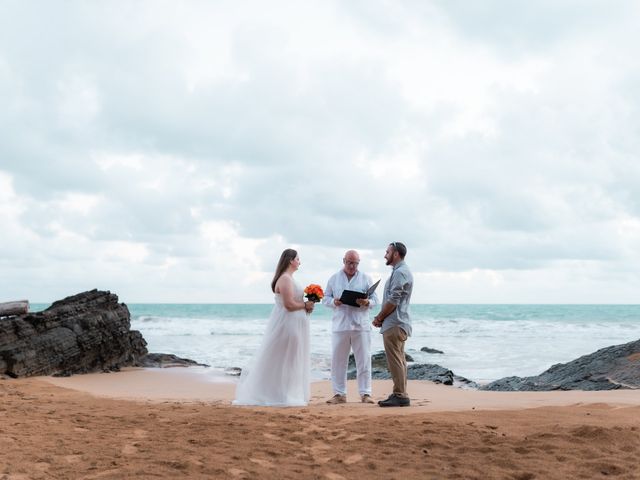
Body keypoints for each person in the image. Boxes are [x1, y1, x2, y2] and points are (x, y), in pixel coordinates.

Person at [233, 249, 315, 407]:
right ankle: (281, 394)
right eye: (298, 259)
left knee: (290, 360)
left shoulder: (289, 278)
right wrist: (305, 305)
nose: (299, 262)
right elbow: (289, 305)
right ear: (290, 260)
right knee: (287, 360)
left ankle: (287, 392)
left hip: (296, 323)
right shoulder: (285, 279)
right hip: (289, 324)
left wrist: (308, 303)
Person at [322, 250, 379, 404]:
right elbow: (325, 298)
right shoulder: (334, 278)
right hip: (340, 325)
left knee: (364, 360)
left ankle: (365, 393)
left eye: (355, 263)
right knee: (338, 361)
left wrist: (368, 302)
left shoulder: (366, 278)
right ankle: (339, 394)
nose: (353, 266)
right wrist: (334, 302)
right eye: (350, 262)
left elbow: (375, 299)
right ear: (344, 261)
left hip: (361, 325)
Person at [372, 242, 413, 407]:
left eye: (387, 252)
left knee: (395, 360)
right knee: (399, 359)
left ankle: (400, 395)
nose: (385, 255)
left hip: (395, 322)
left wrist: (379, 317)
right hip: (398, 321)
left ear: (396, 254)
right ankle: (400, 392)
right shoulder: (401, 271)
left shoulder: (400, 272)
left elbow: (394, 300)